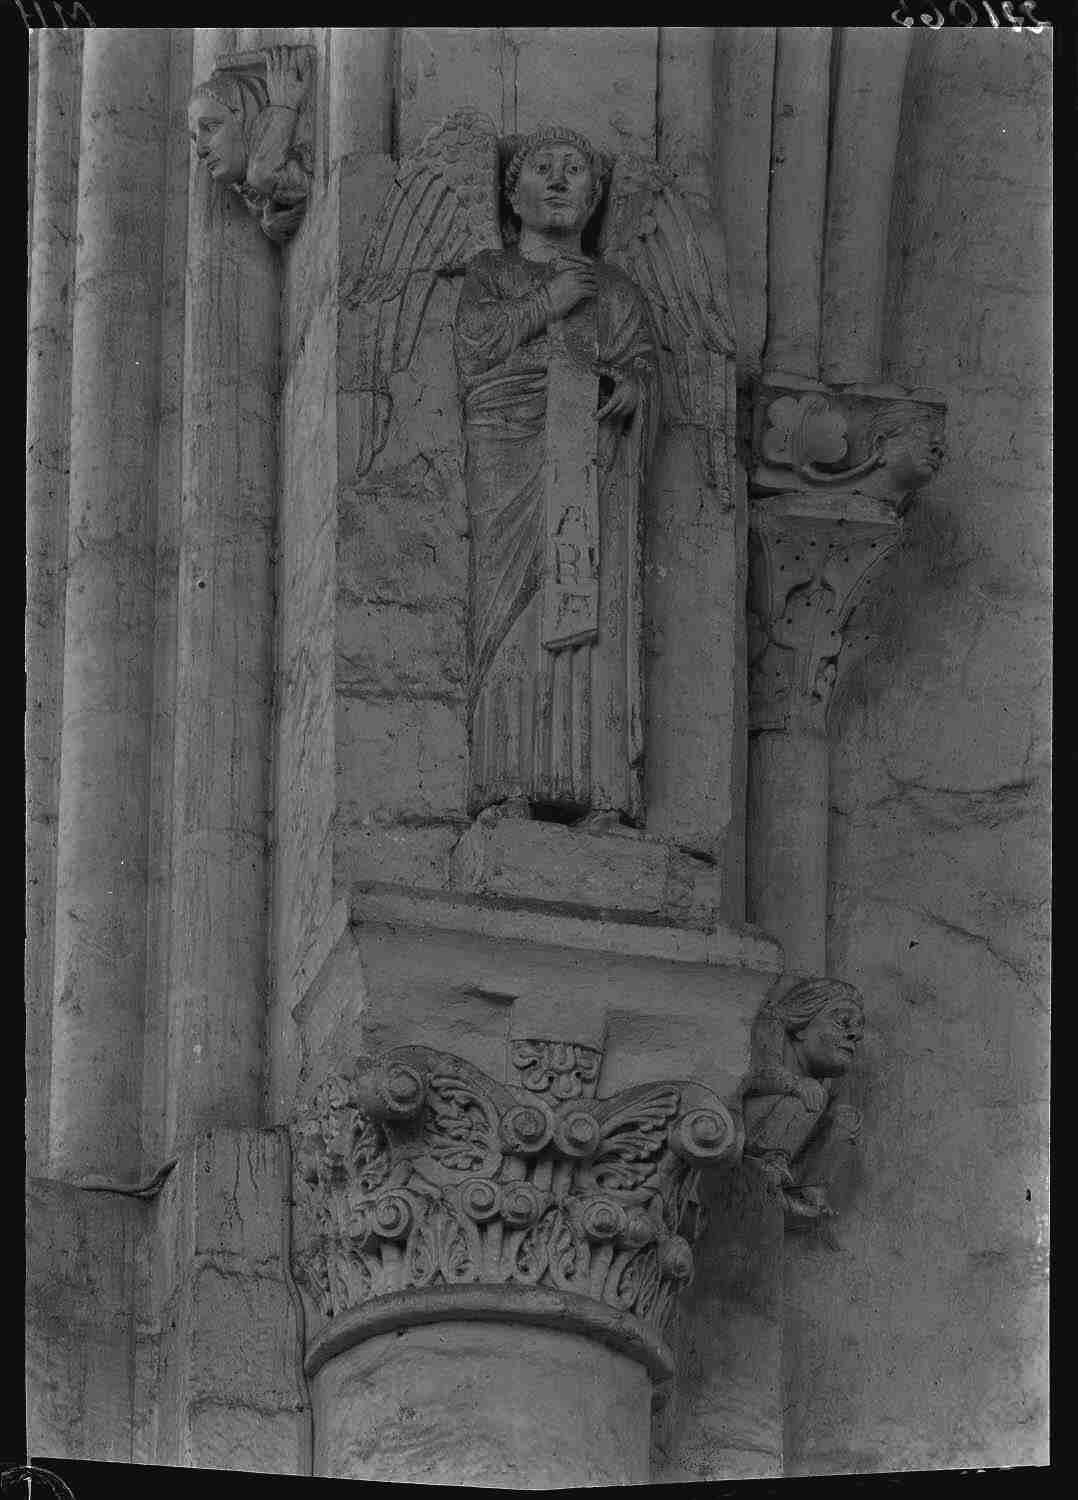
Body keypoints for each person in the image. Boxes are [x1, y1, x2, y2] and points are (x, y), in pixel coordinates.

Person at [453, 125, 661, 825]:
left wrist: (628, 390)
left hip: (591, 465)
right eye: (542, 168)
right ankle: (507, 784)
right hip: (511, 457)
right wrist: (549, 303)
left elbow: (639, 371)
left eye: (576, 170)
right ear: (513, 195)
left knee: (593, 614)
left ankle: (601, 793)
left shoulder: (621, 290)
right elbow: (477, 345)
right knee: (510, 613)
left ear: (597, 195)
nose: (560, 180)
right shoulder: (493, 271)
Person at [741, 977, 866, 1222]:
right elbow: (755, 1077)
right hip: (753, 1134)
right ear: (801, 1026)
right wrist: (796, 1084)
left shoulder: (830, 1073)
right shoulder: (772, 1024)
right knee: (810, 1095)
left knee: (845, 1118)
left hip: (794, 1136)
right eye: (842, 1022)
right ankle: (768, 1174)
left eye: (858, 1029)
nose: (855, 1034)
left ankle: (808, 1188)